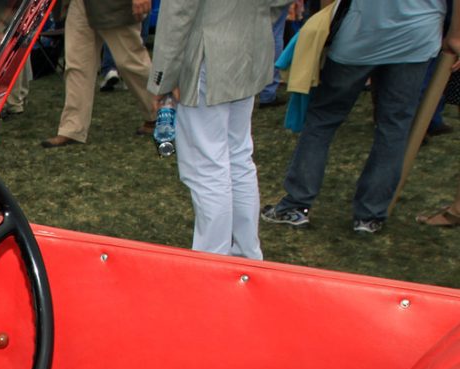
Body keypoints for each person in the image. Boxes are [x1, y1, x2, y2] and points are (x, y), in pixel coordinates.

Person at [262, 0, 460, 234]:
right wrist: (455, 34)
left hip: (362, 34)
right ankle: (369, 216)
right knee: (394, 127)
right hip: (415, 36)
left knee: (323, 120)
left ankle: (296, 204)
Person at [148, 0, 288, 259]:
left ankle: (213, 263)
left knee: (208, 167)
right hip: (248, 46)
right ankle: (245, 255)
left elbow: (178, 9)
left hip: (210, 52)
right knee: (237, 157)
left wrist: (163, 80)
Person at [43, 0, 157, 147]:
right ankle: (72, 129)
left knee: (130, 62)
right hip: (79, 4)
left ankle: (159, 114)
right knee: (77, 65)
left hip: (115, 6)